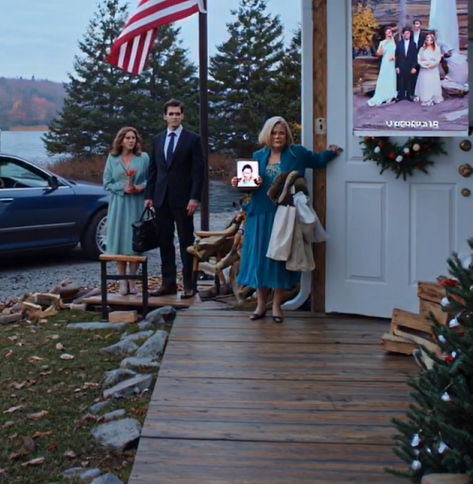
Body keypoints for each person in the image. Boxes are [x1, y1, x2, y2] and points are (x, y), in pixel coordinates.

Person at [232, 116, 341, 323]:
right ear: (267, 134)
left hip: (283, 214)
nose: (277, 136)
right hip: (258, 214)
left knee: (279, 259)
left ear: (287, 135)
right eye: (273, 133)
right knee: (259, 260)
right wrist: (239, 183)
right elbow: (248, 186)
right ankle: (260, 305)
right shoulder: (257, 155)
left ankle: (276, 306)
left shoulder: (297, 153)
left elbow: (317, 160)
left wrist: (332, 152)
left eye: (281, 133)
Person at [144, 99, 205, 298]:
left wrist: (194, 197)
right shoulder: (157, 139)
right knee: (165, 242)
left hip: (184, 199)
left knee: (186, 241)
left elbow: (198, 171)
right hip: (161, 199)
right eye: (171, 114)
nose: (174, 117)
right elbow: (153, 169)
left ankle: (189, 284)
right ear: (165, 116)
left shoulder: (192, 139)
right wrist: (148, 195)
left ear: (182, 116)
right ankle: (168, 283)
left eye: (178, 113)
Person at [103, 127, 149, 296]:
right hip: (119, 203)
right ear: (121, 140)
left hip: (136, 203)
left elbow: (150, 179)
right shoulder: (112, 158)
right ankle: (122, 280)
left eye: (133, 138)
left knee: (135, 239)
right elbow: (107, 182)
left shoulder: (143, 158)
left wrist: (139, 187)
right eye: (128, 138)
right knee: (120, 239)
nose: (131, 141)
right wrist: (122, 188)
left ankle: (132, 280)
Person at [367, 27, 397, 106]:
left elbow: (395, 51)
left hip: (392, 63)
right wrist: (381, 47)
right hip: (385, 62)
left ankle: (391, 95)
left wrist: (394, 57)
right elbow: (378, 53)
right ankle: (382, 95)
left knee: (391, 78)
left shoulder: (393, 41)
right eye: (388, 31)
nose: (390, 33)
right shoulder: (382, 42)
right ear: (385, 33)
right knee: (384, 78)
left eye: (390, 31)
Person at [416, 33, 444, 106]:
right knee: (425, 84)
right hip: (424, 70)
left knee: (432, 83)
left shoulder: (436, 49)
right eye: (427, 39)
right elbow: (419, 58)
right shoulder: (422, 49)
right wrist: (424, 65)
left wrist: (432, 64)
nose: (429, 41)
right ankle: (425, 98)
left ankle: (433, 97)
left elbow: (438, 59)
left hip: (433, 70)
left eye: (430, 39)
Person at [395, 27, 418, 101]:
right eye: (406, 33)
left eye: (408, 33)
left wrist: (414, 67)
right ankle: (400, 96)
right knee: (401, 81)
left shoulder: (413, 44)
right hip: (401, 65)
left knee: (409, 81)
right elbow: (396, 56)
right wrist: (397, 67)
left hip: (410, 65)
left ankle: (409, 95)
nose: (407, 34)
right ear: (403, 34)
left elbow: (415, 57)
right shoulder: (399, 44)